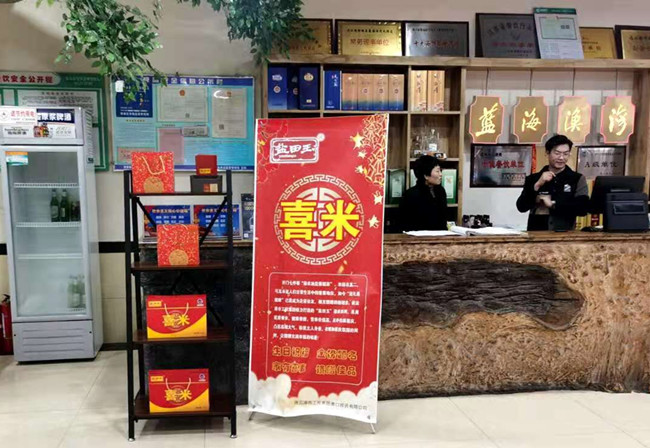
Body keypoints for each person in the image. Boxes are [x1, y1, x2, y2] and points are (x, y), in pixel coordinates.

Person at [516, 134, 589, 231]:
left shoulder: (577, 179)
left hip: (565, 234)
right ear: (547, 153)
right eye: (557, 153)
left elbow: (583, 208)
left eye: (566, 154)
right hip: (536, 234)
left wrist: (553, 204)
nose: (561, 158)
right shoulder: (533, 178)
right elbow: (521, 207)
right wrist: (537, 185)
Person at [400, 155, 448, 231]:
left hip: (440, 236)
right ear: (426, 175)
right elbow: (405, 224)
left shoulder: (441, 191)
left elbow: (443, 219)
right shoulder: (410, 195)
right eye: (437, 171)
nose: (441, 174)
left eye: (440, 171)